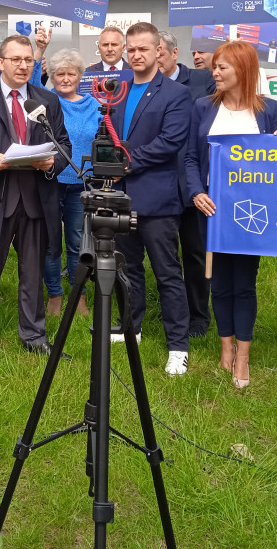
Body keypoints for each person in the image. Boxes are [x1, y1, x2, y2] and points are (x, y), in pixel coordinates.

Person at [0, 34, 71, 370]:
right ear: (1, 62)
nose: (23, 66)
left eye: (28, 61)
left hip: (35, 200)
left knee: (33, 273)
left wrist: (53, 162)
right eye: (15, 60)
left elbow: (63, 146)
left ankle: (34, 337)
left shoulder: (46, 99)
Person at [186, 40, 277, 389]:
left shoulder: (268, 110)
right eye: (215, 66)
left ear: (242, 70)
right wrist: (196, 191)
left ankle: (243, 355)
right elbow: (190, 158)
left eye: (222, 67)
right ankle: (225, 348)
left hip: (251, 212)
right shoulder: (202, 106)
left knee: (243, 283)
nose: (214, 73)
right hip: (210, 208)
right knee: (218, 281)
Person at [109, 23, 193, 375]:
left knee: (167, 273)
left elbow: (169, 142)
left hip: (157, 199)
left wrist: (125, 165)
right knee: (127, 270)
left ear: (159, 50)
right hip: (120, 197)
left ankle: (178, 346)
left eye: (143, 49)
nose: (136, 54)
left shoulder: (174, 94)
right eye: (131, 49)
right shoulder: (118, 90)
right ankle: (132, 326)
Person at [159, 31, 216, 337]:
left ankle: (198, 315)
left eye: (158, 53)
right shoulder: (145, 86)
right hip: (160, 184)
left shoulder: (201, 80)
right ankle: (171, 310)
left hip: (193, 184)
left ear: (172, 52)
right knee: (164, 255)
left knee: (195, 254)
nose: (153, 60)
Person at [41, 49, 100, 318]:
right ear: (51, 77)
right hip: (51, 181)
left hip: (81, 184)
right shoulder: (46, 101)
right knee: (52, 243)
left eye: (71, 73)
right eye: (59, 74)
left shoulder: (94, 105)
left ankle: (80, 297)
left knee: (78, 244)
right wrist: (40, 50)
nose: (65, 78)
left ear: (80, 76)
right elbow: (29, 83)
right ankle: (54, 293)